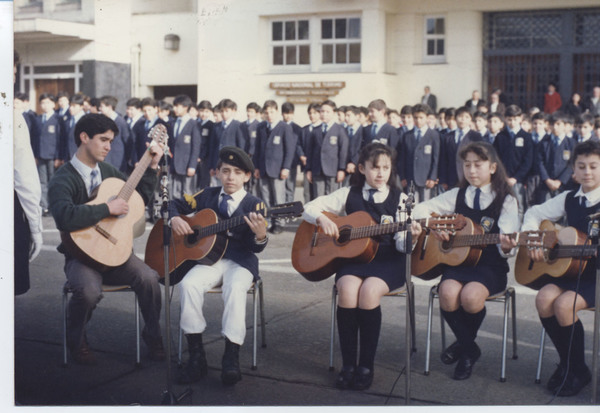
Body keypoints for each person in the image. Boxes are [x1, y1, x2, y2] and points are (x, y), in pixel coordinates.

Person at [48, 113, 165, 365]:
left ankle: (153, 335)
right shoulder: (63, 178)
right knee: (88, 292)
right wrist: (105, 209)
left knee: (149, 278)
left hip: (116, 253)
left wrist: (151, 166)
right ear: (84, 137)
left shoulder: (109, 172)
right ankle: (76, 339)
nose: (108, 147)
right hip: (81, 256)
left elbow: (137, 201)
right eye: (103, 140)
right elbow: (63, 216)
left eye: (111, 141)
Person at [302, 142, 420, 390]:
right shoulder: (348, 193)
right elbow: (309, 207)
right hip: (354, 259)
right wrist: (322, 218)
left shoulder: (401, 199)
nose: (380, 173)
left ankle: (366, 365)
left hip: (389, 261)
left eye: (386, 168)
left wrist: (412, 236)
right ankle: (348, 365)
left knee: (368, 292)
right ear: (362, 168)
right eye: (374, 167)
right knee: (346, 290)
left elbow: (402, 246)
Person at [413, 141, 519, 380]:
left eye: (477, 165)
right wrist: (435, 225)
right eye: (467, 165)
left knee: (470, 298)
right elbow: (419, 209)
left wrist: (506, 246)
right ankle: (470, 349)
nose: (471, 171)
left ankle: (463, 346)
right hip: (458, 264)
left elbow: (509, 239)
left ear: (492, 167)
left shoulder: (506, 200)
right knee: (447, 293)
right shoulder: (456, 195)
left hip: (490, 267)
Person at [170, 146, 268, 386]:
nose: (230, 177)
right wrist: (174, 218)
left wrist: (260, 235)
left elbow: (256, 248)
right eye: (225, 171)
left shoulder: (256, 205)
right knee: (189, 284)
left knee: (235, 289)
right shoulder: (207, 195)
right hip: (209, 260)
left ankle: (231, 355)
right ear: (217, 173)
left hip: (240, 261)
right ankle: (196, 355)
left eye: (237, 172)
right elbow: (174, 204)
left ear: (247, 176)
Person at [521, 139, 600, 396]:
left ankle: (576, 369)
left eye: (594, 166)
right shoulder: (568, 198)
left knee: (564, 305)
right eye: (581, 166)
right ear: (573, 172)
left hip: (595, 277)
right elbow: (533, 212)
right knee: (544, 298)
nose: (587, 172)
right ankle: (571, 364)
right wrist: (535, 240)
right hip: (570, 271)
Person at [14, 51, 43, 295]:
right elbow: (24, 178)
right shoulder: (12, 116)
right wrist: (35, 226)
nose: (14, 79)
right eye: (12, 73)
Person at [253, 100, 296, 234]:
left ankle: (279, 223)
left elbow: (290, 150)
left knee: (278, 198)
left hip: (278, 169)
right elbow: (257, 149)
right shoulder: (261, 127)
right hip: (264, 168)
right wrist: (256, 167)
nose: (269, 115)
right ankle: (269, 221)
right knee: (265, 198)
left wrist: (286, 168)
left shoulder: (284, 127)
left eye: (272, 112)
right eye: (266, 112)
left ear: (277, 112)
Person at [492, 104, 534, 219]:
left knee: (519, 207)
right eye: (509, 119)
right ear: (505, 119)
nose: (512, 122)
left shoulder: (526, 137)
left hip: (518, 181)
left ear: (520, 118)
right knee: (502, 206)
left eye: (515, 119)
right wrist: (503, 176)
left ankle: (518, 234)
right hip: (502, 179)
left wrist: (516, 178)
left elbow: (528, 161)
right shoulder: (500, 136)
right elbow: (495, 158)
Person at [305, 99, 349, 198]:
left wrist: (341, 169)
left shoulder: (340, 130)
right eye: (322, 111)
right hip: (317, 170)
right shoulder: (315, 130)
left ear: (333, 113)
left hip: (333, 170)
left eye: (327, 112)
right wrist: (308, 169)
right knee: (318, 197)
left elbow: (343, 151)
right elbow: (310, 151)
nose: (324, 114)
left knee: (332, 197)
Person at [535, 111, 576, 203]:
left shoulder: (571, 143)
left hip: (564, 184)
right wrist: (547, 179)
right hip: (546, 184)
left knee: (564, 209)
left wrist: (560, 181)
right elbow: (539, 162)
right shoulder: (544, 142)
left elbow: (572, 163)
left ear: (565, 125)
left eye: (558, 124)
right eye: (553, 124)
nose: (555, 127)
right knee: (546, 210)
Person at [401, 103, 440, 202]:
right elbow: (402, 158)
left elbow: (436, 158)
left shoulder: (433, 135)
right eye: (416, 118)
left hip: (426, 178)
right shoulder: (407, 136)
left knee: (426, 205)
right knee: (412, 205)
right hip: (410, 178)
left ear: (427, 118)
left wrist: (432, 177)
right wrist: (403, 177)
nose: (418, 120)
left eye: (421, 118)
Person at [438, 107, 482, 191]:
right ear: (456, 118)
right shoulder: (448, 136)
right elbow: (443, 159)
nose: (463, 120)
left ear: (470, 120)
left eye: (466, 117)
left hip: (469, 177)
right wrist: (443, 179)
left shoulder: (475, 136)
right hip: (451, 178)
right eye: (460, 116)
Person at [169, 94, 202, 198]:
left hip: (187, 165)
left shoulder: (194, 124)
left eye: (177, 106)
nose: (174, 109)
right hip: (175, 165)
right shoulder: (173, 123)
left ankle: (189, 214)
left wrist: (192, 166)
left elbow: (196, 147)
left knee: (188, 194)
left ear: (185, 107)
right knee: (175, 193)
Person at [33, 93, 61, 216]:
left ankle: (54, 205)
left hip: (53, 156)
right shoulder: (38, 119)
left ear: (54, 104)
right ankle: (45, 206)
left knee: (53, 181)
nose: (45, 105)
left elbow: (60, 140)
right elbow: (34, 139)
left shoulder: (58, 119)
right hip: (40, 155)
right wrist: (35, 155)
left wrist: (58, 157)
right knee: (42, 181)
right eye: (43, 103)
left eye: (48, 103)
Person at [99, 95, 133, 174]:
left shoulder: (120, 122)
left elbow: (127, 142)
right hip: (106, 160)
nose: (100, 109)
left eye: (102, 106)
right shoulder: (103, 120)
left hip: (117, 161)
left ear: (110, 107)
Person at [281, 101, 303, 203]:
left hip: (292, 163)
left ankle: (289, 211)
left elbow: (298, 145)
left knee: (290, 187)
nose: (288, 116)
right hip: (279, 163)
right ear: (282, 114)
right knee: (280, 188)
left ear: (293, 113)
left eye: (290, 113)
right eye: (285, 113)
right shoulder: (278, 127)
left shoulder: (298, 129)